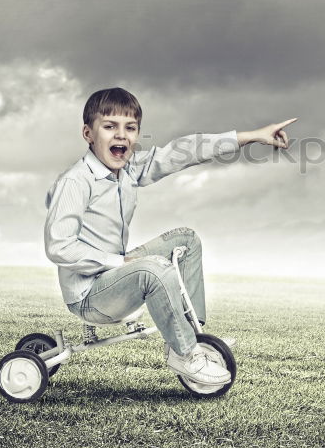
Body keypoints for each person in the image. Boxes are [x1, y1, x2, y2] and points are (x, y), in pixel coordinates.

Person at [44, 86, 295, 386]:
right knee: (154, 267)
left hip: (115, 277)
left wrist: (252, 135)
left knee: (185, 240)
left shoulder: (129, 169)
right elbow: (59, 246)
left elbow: (185, 151)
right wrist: (119, 261)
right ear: (89, 133)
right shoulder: (76, 182)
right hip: (89, 296)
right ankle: (185, 353)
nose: (121, 135)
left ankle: (192, 337)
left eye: (130, 128)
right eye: (109, 126)